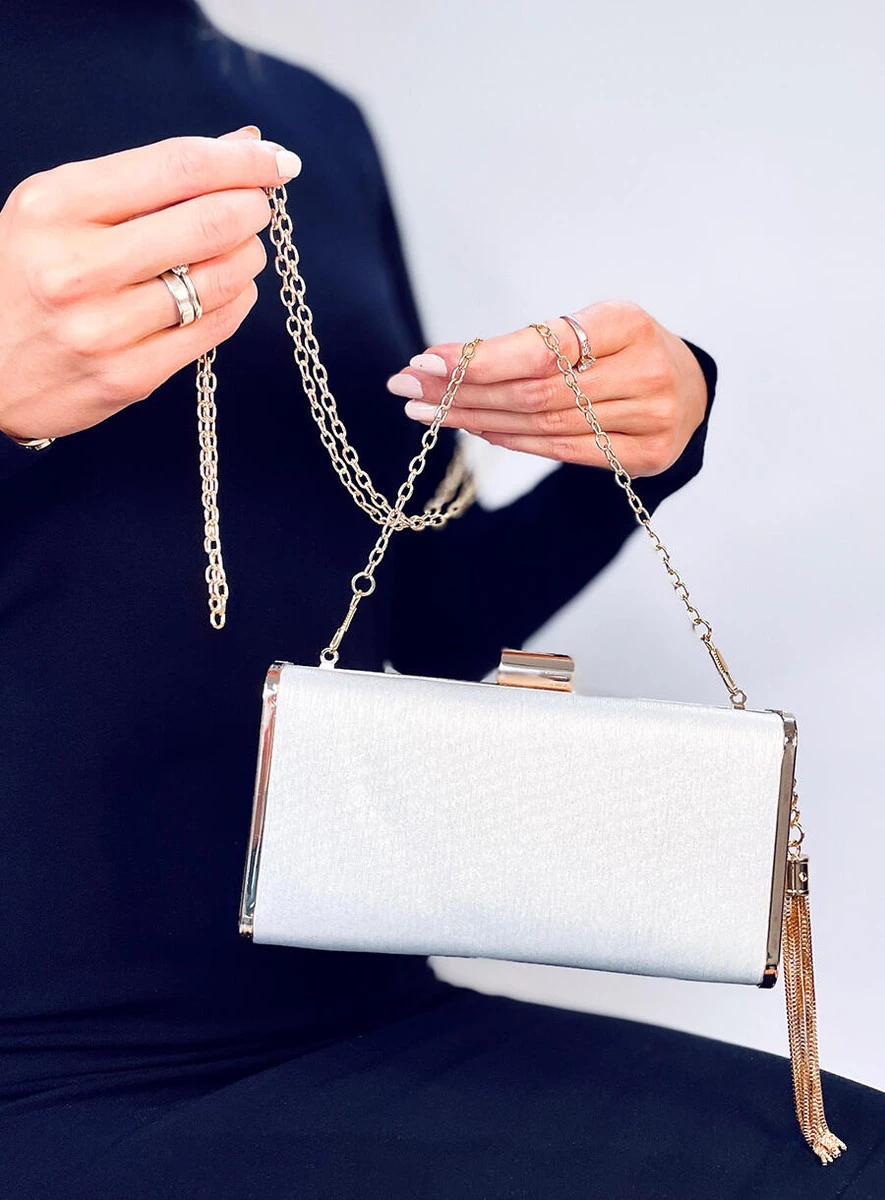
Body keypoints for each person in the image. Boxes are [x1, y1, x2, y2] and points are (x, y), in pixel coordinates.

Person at [1, 2, 883, 1196]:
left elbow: (407, 633)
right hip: (37, 1075)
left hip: (359, 1012)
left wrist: (634, 454)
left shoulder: (312, 124)